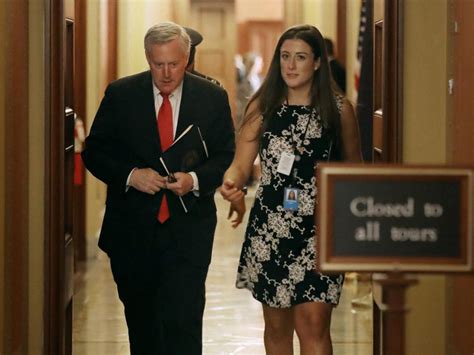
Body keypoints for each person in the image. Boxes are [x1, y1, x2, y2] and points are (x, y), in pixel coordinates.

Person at [82, 21, 235, 354]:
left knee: (184, 324)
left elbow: (225, 153)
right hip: (133, 231)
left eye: (174, 64)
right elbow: (94, 152)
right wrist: (131, 175)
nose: (166, 73)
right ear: (147, 58)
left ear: (187, 58)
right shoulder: (121, 94)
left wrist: (194, 181)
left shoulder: (212, 97)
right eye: (157, 64)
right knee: (143, 327)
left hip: (188, 232)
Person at [220, 24, 362, 354]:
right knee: (277, 327)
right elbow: (241, 165)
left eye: (300, 57)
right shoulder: (262, 107)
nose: (291, 65)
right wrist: (231, 184)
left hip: (319, 230)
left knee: (313, 323)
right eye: (285, 57)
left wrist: (355, 236)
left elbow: (354, 172)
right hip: (271, 229)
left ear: (317, 63)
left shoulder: (340, 110)